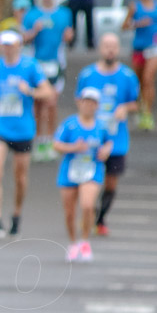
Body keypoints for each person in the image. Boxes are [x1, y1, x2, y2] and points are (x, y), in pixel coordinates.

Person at [0, 30, 52, 239]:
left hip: (23, 129)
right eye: (5, 44)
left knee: (20, 178)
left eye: (12, 44)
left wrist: (29, 90)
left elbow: (47, 92)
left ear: (19, 45)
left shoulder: (30, 66)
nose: (8, 48)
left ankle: (16, 213)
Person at [76, 33, 139, 237]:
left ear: (118, 49)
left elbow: (136, 102)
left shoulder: (128, 76)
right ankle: (88, 212)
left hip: (116, 140)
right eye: (106, 46)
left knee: (111, 182)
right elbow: (79, 101)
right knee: (88, 180)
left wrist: (124, 108)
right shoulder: (87, 75)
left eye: (113, 46)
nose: (110, 50)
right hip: (92, 140)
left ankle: (100, 217)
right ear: (100, 48)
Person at [52, 87, 112, 263]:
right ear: (79, 102)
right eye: (86, 101)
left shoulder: (101, 126)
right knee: (69, 212)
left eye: (92, 102)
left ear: (97, 105)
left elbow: (109, 142)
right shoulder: (70, 124)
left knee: (87, 205)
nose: (88, 106)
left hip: (92, 170)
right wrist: (73, 148)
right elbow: (56, 144)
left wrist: (106, 151)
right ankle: (72, 242)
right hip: (70, 171)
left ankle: (85, 240)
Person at [23, 0, 73, 162]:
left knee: (51, 103)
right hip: (36, 64)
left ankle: (51, 141)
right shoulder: (32, 14)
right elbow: (24, 39)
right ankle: (39, 141)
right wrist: (34, 31)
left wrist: (69, 36)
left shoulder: (64, 13)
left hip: (56, 63)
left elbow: (69, 35)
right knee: (37, 105)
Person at [122, 0, 157, 131]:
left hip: (155, 46)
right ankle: (142, 109)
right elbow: (124, 26)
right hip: (139, 48)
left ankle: (148, 113)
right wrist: (137, 24)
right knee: (140, 81)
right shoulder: (134, 6)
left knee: (149, 78)